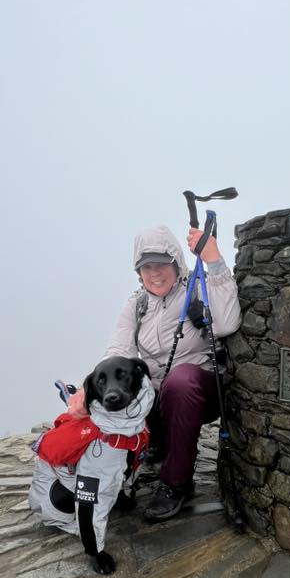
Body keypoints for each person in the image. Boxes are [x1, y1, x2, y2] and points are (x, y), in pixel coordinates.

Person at [102, 223, 241, 520]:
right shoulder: (137, 304)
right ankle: (134, 462)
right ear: (138, 272)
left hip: (199, 390)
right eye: (147, 267)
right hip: (158, 396)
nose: (154, 273)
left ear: (176, 263)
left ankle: (176, 482)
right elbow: (119, 352)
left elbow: (227, 323)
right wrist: (94, 388)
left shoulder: (197, 288)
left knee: (179, 381)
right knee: (121, 386)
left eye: (161, 264)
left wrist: (214, 260)